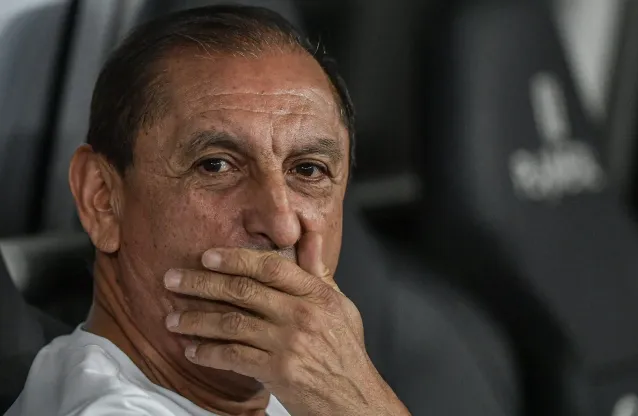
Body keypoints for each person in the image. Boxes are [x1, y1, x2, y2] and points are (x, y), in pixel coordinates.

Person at [8, 5, 410, 416]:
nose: (281, 225)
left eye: (308, 170)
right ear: (102, 200)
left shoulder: (297, 386)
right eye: (215, 165)